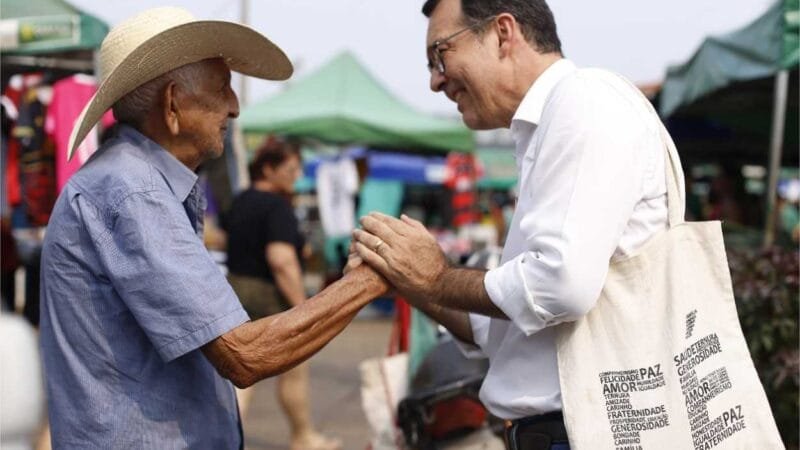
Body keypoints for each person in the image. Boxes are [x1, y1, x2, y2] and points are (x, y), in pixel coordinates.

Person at [39, 7, 388, 449]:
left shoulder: (133, 182)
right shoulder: (132, 190)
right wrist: (371, 279)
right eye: (222, 89)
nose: (235, 107)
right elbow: (243, 354)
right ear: (172, 105)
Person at [351, 1, 683, 449]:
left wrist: (436, 275)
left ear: (503, 33)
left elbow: (559, 285)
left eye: (440, 55)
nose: (434, 80)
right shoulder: (550, 125)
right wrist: (414, 280)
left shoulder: (583, 101)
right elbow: (506, 327)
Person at [225, 138, 340, 450]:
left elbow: (226, 239)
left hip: (234, 290)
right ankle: (302, 437)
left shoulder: (242, 200)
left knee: (239, 370)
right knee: (293, 370)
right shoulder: (277, 206)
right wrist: (304, 307)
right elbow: (281, 260)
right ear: (268, 169)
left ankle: (226, 439)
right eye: (290, 169)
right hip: (270, 295)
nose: (296, 175)